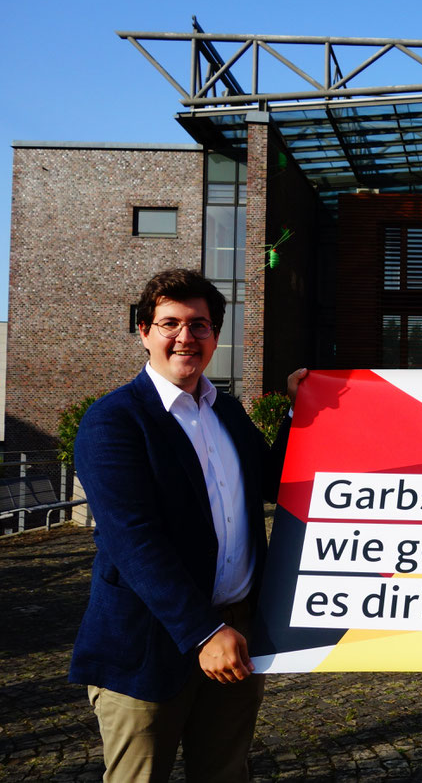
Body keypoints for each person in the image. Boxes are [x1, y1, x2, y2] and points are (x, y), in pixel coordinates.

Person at [69, 268, 307, 781]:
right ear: (144, 331)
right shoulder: (114, 420)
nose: (185, 337)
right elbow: (133, 541)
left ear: (215, 334)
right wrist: (205, 631)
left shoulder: (225, 411)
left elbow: (272, 482)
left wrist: (297, 411)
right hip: (150, 643)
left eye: (199, 325)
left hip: (238, 633)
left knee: (224, 773)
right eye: (169, 323)